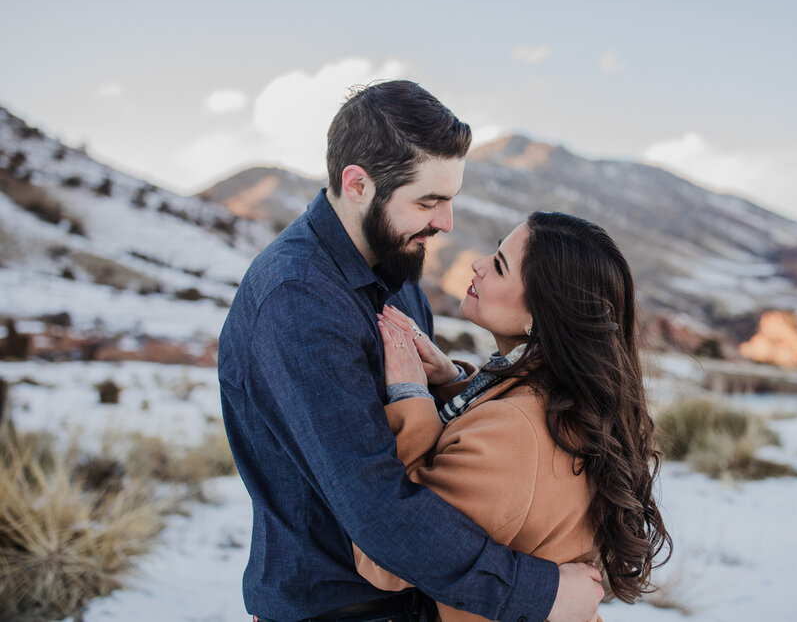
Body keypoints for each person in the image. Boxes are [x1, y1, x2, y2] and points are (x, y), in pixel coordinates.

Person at [219, 81, 604, 622]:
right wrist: (537, 594)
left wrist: (452, 382)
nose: (445, 222)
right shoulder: (297, 302)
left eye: (450, 199)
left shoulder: (396, 271)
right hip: (336, 607)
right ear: (357, 184)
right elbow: (379, 507)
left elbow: (437, 445)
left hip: (415, 600)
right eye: (429, 201)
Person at [355, 211, 672, 621]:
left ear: (540, 315)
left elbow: (386, 559)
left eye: (500, 265)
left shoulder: (514, 432)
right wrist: (454, 382)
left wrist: (409, 398)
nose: (478, 264)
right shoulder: (567, 400)